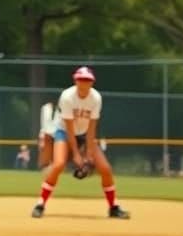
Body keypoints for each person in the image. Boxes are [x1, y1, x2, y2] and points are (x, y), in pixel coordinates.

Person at [31, 66, 130, 219]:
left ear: (92, 82)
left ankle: (113, 207)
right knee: (58, 165)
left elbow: (92, 127)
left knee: (105, 168)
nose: (84, 83)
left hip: (84, 134)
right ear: (75, 80)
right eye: (81, 79)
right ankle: (40, 204)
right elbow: (69, 129)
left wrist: (89, 153)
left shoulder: (95, 98)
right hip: (64, 132)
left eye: (88, 80)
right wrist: (77, 155)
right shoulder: (67, 96)